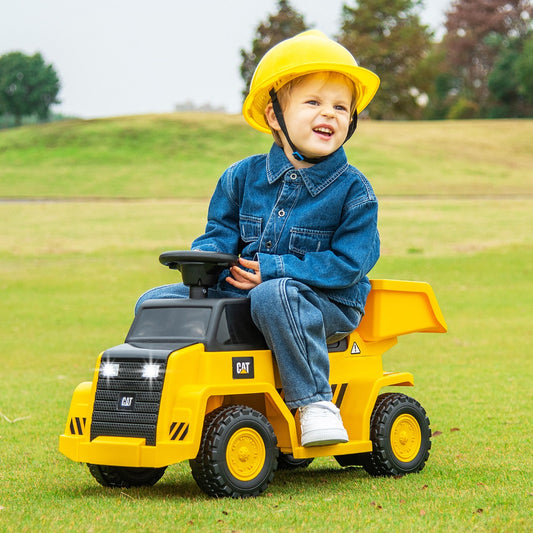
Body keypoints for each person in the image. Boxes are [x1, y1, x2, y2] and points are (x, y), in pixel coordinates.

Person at [136, 30, 381, 447]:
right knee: (154, 302)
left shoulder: (354, 192)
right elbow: (219, 237)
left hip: (327, 304)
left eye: (342, 106)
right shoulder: (240, 178)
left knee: (275, 295)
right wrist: (203, 266)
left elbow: (350, 265)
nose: (331, 114)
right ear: (274, 116)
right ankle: (145, 404)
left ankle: (315, 403)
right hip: (245, 296)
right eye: (314, 102)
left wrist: (273, 270)